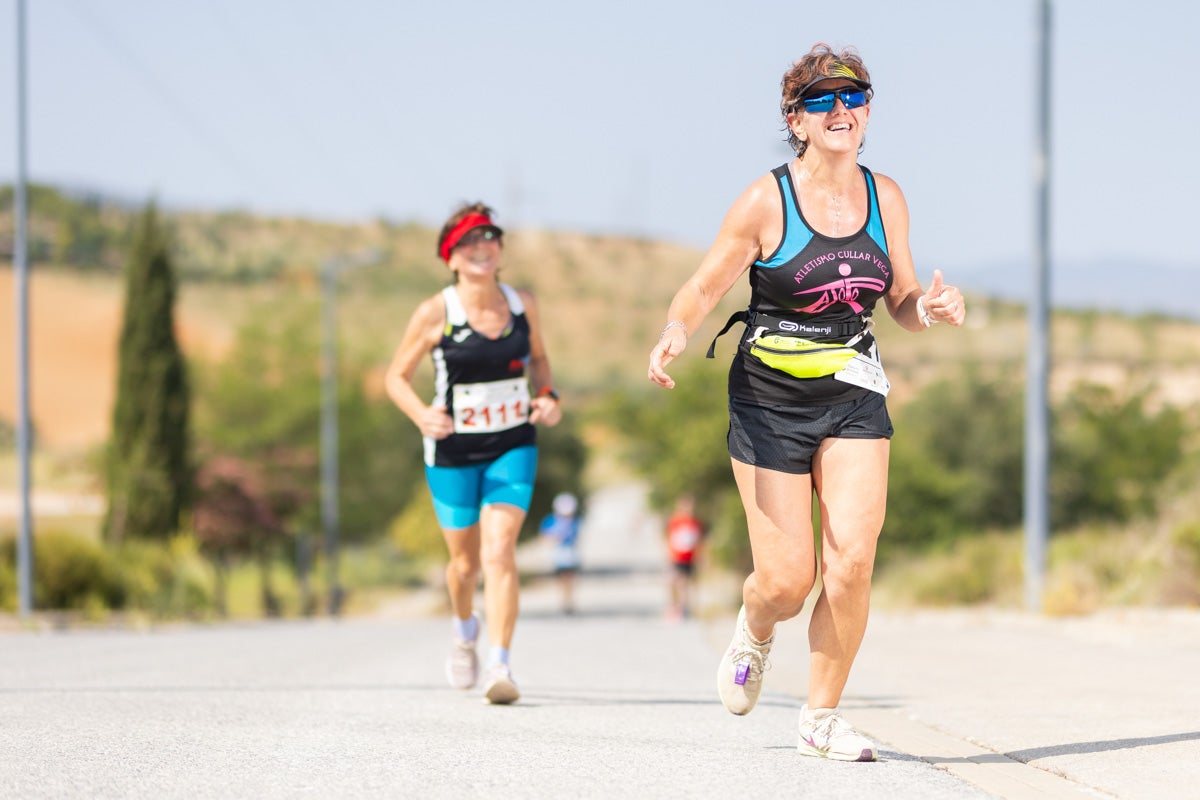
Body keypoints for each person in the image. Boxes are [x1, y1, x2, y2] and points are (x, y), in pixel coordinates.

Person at [647, 44, 966, 761]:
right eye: (820, 100)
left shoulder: (886, 197)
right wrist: (675, 329)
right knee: (789, 582)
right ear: (795, 119)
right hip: (768, 400)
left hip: (853, 392)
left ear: (869, 110)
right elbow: (704, 287)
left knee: (852, 560)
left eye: (852, 97)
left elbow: (902, 301)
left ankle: (820, 718)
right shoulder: (768, 200)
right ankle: (757, 624)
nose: (839, 110)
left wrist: (934, 307)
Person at [385, 201, 562, 705]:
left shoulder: (523, 303)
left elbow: (541, 362)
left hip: (512, 445)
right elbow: (394, 378)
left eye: (489, 237)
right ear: (451, 258)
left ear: (500, 249)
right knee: (463, 566)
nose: (481, 247)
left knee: (499, 551)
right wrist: (422, 414)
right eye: (468, 242)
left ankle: (498, 664)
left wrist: (547, 398)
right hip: (453, 451)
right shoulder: (436, 312)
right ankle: (465, 629)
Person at [538, 491, 583, 614]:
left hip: (571, 552)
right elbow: (544, 536)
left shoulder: (575, 521)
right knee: (561, 578)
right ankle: (564, 601)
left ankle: (569, 601)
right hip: (558, 553)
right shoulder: (551, 520)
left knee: (570, 577)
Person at [664, 494, 704, 621]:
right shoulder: (675, 521)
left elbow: (699, 542)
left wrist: (700, 558)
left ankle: (684, 608)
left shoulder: (696, 523)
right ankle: (674, 606)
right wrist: (668, 554)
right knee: (673, 581)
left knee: (685, 583)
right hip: (676, 558)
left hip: (689, 558)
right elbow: (669, 538)